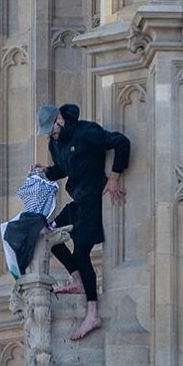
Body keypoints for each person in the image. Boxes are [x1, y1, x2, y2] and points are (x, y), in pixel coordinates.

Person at [30, 103, 130, 340]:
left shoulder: (86, 132)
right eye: (48, 132)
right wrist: (46, 170)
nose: (52, 135)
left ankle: (92, 313)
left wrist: (114, 179)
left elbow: (121, 142)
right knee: (48, 235)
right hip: (77, 200)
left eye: (52, 129)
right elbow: (64, 168)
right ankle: (78, 281)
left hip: (93, 200)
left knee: (82, 253)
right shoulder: (54, 144)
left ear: (60, 119)